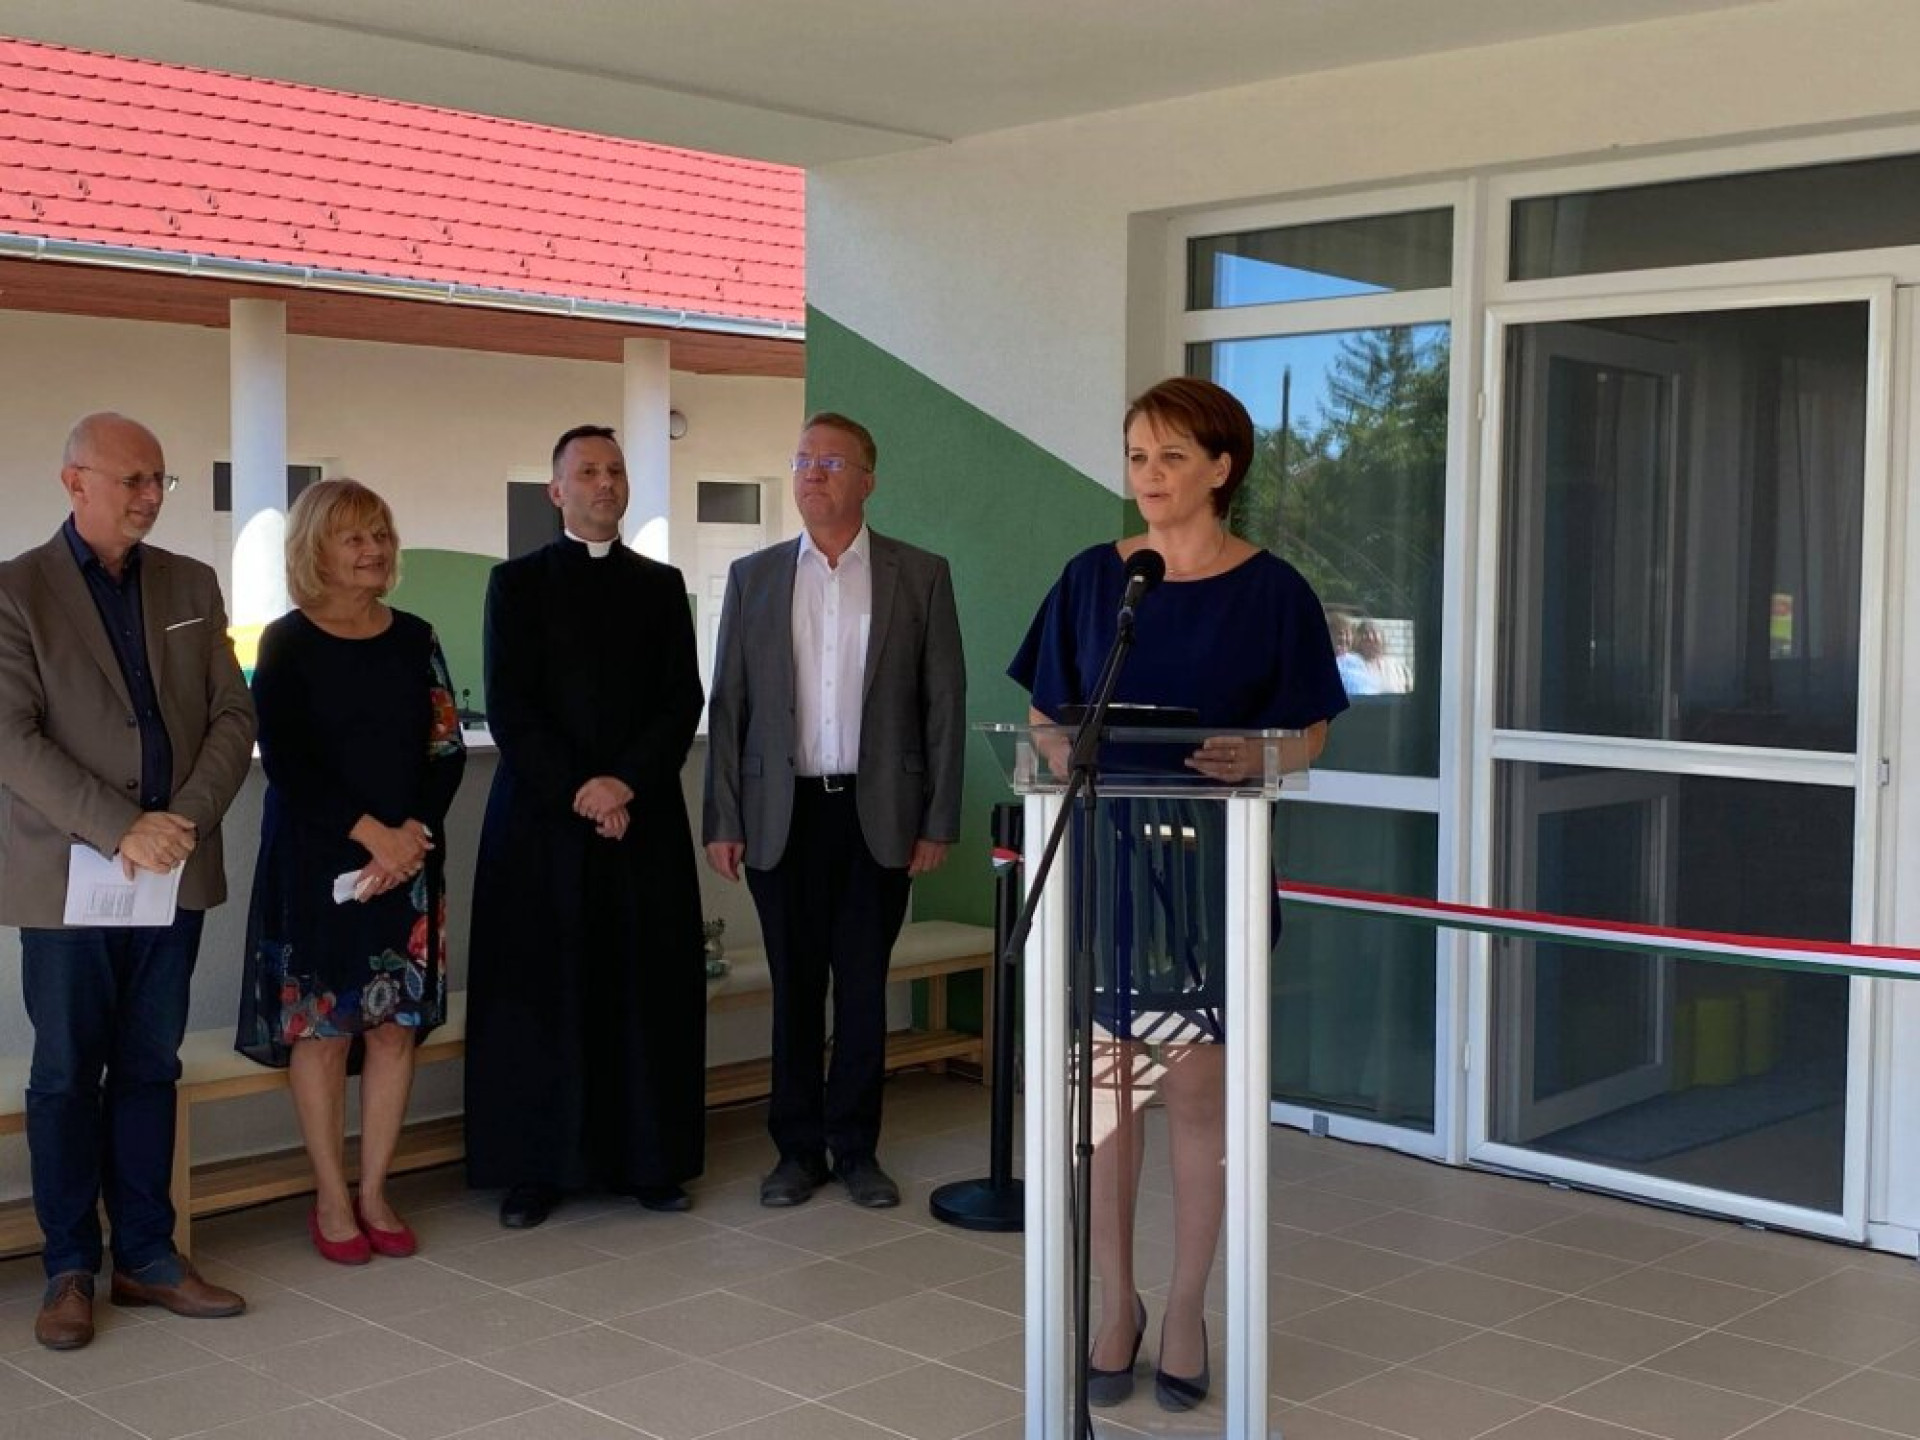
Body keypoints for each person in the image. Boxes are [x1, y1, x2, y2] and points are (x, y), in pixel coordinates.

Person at [1009, 377, 1346, 1410]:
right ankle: (1117, 1304)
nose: (1148, 477)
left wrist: (1261, 755)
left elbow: (1312, 731)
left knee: (1197, 1099)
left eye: (1170, 458)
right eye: (1137, 457)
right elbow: (1042, 714)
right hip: (1104, 865)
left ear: (1221, 468)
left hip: (1213, 875)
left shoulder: (1273, 590)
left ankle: (1190, 1306)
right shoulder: (1094, 580)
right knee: (1110, 1104)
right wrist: (1056, 749)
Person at [0, 413, 255, 1349]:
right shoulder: (15, 590)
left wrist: (179, 821)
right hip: (71, 877)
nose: (150, 497)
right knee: (68, 1073)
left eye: (159, 481)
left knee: (151, 1065)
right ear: (75, 481)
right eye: (132, 480)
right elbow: (10, 737)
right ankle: (69, 1267)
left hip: (172, 870)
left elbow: (233, 715)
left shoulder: (191, 582)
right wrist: (121, 827)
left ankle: (148, 1256)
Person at [703, 412, 965, 1210]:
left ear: (868, 480)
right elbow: (730, 703)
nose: (813, 473)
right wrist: (723, 818)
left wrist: (937, 820)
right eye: (803, 460)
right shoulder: (753, 578)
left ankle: (855, 1150)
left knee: (860, 988)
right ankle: (795, 1152)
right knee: (794, 988)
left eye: (832, 461)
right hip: (780, 816)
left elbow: (944, 703)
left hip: (876, 814)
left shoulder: (919, 575)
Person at [464, 424, 707, 1228]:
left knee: (644, 990)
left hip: (641, 820)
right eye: (588, 471)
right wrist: (582, 789)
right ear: (556, 490)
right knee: (544, 991)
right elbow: (509, 704)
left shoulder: (662, 586)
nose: (606, 483)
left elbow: (681, 699)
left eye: (616, 470)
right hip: (543, 823)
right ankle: (536, 1169)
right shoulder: (516, 585)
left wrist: (623, 783)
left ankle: (651, 1160)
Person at [235, 480, 466, 1264]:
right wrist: (373, 836)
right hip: (317, 867)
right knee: (324, 1034)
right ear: (315, 550)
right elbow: (288, 763)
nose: (374, 550)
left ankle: (375, 1192)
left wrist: (410, 838)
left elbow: (445, 749)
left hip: (408, 865)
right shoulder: (286, 642)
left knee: (396, 1030)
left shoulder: (416, 637)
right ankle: (332, 1198)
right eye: (354, 538)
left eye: (381, 535)